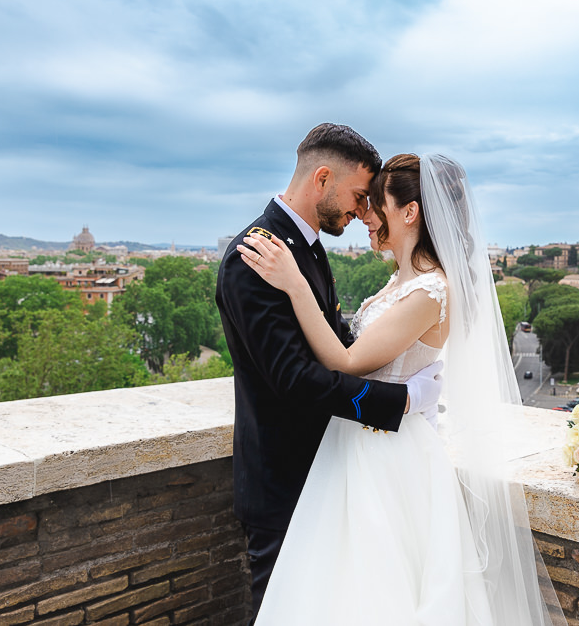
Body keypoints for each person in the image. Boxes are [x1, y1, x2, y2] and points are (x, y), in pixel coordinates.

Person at [238, 153, 562, 625]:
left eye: (376, 205)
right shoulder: (402, 282)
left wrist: (294, 284)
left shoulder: (431, 290)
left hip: (389, 457)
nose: (367, 217)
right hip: (357, 443)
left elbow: (346, 361)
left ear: (409, 212)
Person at [214, 124, 445, 623]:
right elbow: (294, 378)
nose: (363, 211)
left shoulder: (307, 249)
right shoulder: (255, 257)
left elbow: (339, 339)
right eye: (360, 195)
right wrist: (399, 402)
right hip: (284, 480)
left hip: (337, 469)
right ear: (322, 178)